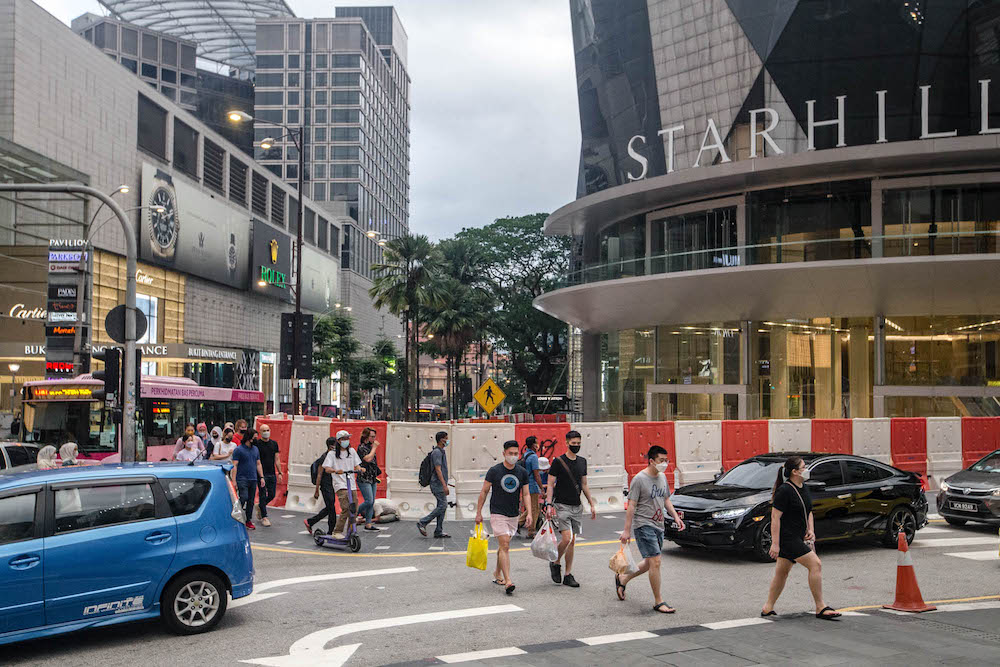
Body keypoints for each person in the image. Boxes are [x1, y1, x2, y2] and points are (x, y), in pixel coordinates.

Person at [761, 456, 841, 620]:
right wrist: (775, 544)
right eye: (804, 467)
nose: (807, 470)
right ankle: (821, 607)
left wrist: (810, 529)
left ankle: (767, 608)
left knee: (782, 573)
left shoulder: (803, 487)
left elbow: (808, 511)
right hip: (788, 538)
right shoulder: (785, 490)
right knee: (815, 564)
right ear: (795, 472)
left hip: (798, 536)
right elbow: (775, 518)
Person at [616, 445, 685, 613]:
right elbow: (631, 506)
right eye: (661, 460)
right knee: (656, 561)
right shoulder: (639, 479)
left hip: (658, 525)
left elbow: (666, 499)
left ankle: (623, 578)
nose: (665, 463)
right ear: (651, 461)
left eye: (666, 460)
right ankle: (658, 601)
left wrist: (675, 517)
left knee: (648, 563)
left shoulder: (661, 477)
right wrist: (626, 531)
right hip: (643, 525)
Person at [475, 440, 531, 596]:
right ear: (504, 454)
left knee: (503, 545)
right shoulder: (494, 471)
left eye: (515, 454)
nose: (513, 456)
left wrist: (530, 513)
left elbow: (526, 494)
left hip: (513, 513)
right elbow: (484, 491)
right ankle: (508, 581)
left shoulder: (522, 472)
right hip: (497, 512)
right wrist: (478, 512)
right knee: (505, 544)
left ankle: (497, 573)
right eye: (510, 453)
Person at [544, 430, 597, 588]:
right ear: (566, 443)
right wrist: (548, 504)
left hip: (577, 506)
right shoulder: (558, 461)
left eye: (578, 444)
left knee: (572, 542)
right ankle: (555, 561)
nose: (576, 446)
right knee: (566, 538)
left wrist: (591, 503)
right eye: (573, 444)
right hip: (562, 505)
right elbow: (550, 485)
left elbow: (584, 484)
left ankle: (567, 574)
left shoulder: (582, 462)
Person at [322, 430, 363, 539]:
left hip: (351, 484)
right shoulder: (332, 454)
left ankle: (350, 531)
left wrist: (360, 469)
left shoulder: (352, 451)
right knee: (346, 508)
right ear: (339, 441)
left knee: (354, 509)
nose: (346, 441)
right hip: (340, 484)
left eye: (347, 438)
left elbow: (357, 465)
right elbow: (326, 468)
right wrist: (335, 471)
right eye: (344, 439)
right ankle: (337, 531)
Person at [417, 431, 451, 538]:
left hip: (440, 483)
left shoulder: (441, 451)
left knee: (441, 506)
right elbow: (438, 469)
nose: (447, 440)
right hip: (437, 484)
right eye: (446, 438)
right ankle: (423, 522)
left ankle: (438, 530)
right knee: (443, 505)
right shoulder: (437, 452)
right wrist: (444, 485)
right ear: (441, 440)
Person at [231, 427, 265, 530]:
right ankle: (236, 515)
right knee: (244, 497)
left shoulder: (255, 449)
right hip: (242, 478)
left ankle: (248, 520)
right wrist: (234, 480)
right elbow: (234, 465)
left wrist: (262, 477)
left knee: (251, 501)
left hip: (253, 478)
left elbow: (258, 464)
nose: (256, 440)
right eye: (254, 438)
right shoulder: (238, 450)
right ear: (249, 438)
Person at [307, 437, 338, 534]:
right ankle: (330, 530)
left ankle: (311, 521)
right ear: (331, 446)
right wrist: (316, 490)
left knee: (330, 507)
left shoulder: (332, 457)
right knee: (331, 508)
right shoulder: (324, 458)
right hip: (325, 486)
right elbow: (319, 475)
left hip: (330, 485)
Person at [255, 425, 282, 527]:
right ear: (260, 432)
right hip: (261, 473)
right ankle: (264, 516)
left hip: (271, 472)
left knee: (272, 494)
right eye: (264, 430)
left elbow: (277, 459)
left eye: (267, 430)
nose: (266, 432)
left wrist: (280, 472)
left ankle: (260, 506)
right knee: (262, 494)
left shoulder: (274, 444)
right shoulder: (257, 444)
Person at [517, 436, 544, 539]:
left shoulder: (525, 454)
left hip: (525, 485)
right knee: (534, 509)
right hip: (532, 486)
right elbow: (536, 474)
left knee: (531, 507)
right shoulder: (533, 457)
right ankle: (531, 531)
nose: (538, 445)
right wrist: (542, 488)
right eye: (537, 443)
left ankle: (518, 523)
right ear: (533, 445)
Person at [357, 427, 382, 532]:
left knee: (371, 502)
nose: (374, 439)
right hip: (364, 478)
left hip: (372, 478)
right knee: (368, 500)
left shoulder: (370, 447)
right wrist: (375, 448)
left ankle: (368, 523)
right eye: (372, 436)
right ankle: (353, 513)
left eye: (374, 436)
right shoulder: (362, 447)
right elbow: (367, 459)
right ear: (366, 437)